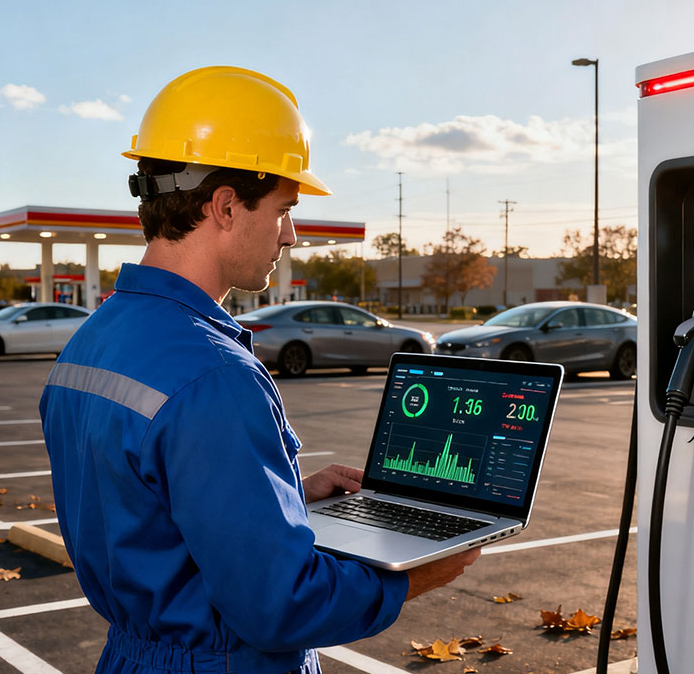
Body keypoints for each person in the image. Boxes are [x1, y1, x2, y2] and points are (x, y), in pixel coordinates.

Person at [39, 66, 479, 674]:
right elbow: (279, 607)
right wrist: (409, 579)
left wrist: (286, 497)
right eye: (282, 209)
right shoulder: (214, 375)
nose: (292, 235)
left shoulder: (90, 343)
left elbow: (153, 516)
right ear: (224, 206)